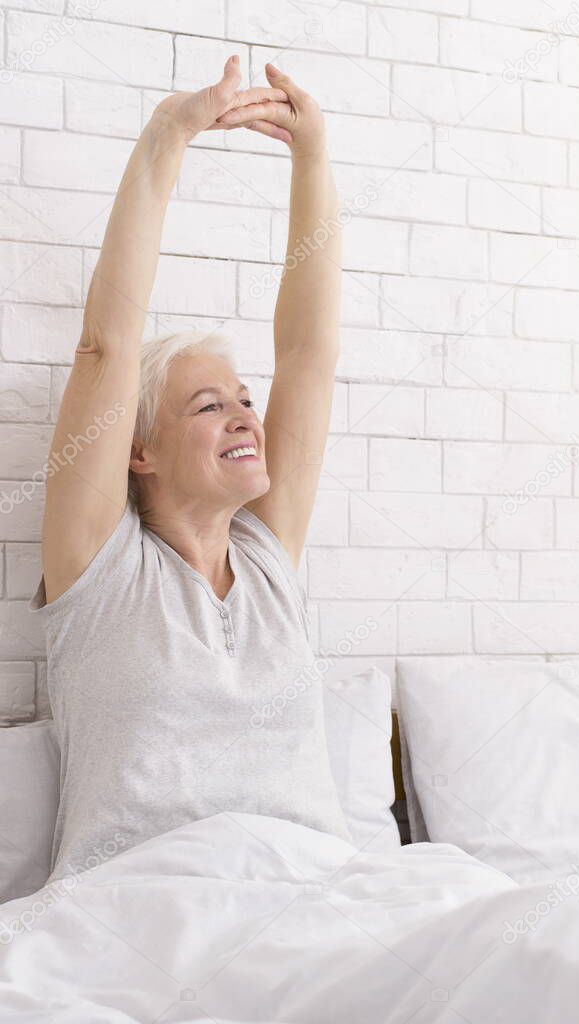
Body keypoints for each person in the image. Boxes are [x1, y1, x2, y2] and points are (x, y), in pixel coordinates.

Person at [27, 56, 350, 884]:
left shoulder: (269, 560)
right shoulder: (102, 572)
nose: (246, 416)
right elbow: (108, 344)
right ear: (140, 451)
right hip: (153, 904)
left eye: (244, 400)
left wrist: (311, 156)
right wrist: (167, 138)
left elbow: (309, 356)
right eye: (208, 407)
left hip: (322, 893)